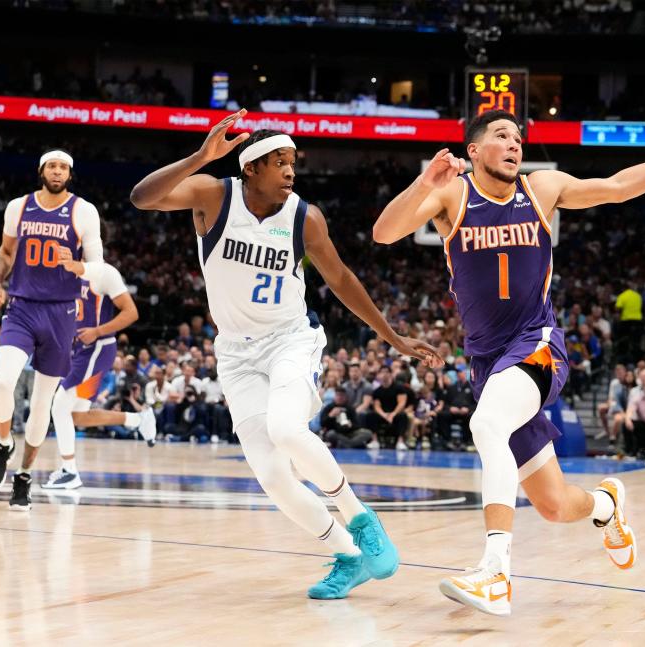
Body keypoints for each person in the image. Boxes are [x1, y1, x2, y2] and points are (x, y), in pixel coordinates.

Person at [374, 106, 645, 615]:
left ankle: (496, 572)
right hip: (487, 363)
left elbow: (617, 186)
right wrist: (421, 183)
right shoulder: (452, 194)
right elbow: (384, 233)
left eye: (518, 137)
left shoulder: (541, 188)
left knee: (487, 425)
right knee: (555, 505)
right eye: (501, 136)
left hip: (537, 343)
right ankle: (608, 506)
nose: (514, 143)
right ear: (474, 150)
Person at [129, 112, 441, 600]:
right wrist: (201, 157)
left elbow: (339, 279)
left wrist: (394, 337)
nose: (291, 171)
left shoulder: (304, 216)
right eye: (280, 162)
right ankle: (349, 556)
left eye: (293, 162)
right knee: (273, 477)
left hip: (291, 339)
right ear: (250, 167)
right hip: (235, 352)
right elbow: (141, 198)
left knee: (286, 429)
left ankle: (361, 519)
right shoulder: (214, 194)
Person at [0, 149, 104, 511]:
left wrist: (78, 265)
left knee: (41, 404)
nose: (57, 171)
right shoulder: (18, 207)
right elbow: (4, 253)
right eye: (52, 166)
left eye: (64, 166)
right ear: (41, 171)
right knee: (3, 381)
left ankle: (23, 476)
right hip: (21, 306)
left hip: (61, 313)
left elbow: (97, 266)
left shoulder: (84, 211)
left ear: (70, 173)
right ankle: (3, 444)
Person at [44, 250, 156, 490]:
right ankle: (138, 419)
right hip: (80, 352)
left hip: (97, 349)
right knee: (77, 416)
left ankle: (69, 470)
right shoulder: (66, 271)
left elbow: (131, 312)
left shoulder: (105, 273)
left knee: (59, 405)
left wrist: (97, 331)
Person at [366, 365, 410, 450]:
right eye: (382, 372)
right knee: (370, 415)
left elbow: (402, 403)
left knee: (403, 416)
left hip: (395, 413)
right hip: (383, 414)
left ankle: (400, 442)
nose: (384, 374)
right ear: (379, 375)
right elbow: (377, 406)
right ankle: (374, 440)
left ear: (391, 374)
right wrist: (385, 415)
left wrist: (393, 414)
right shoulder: (377, 391)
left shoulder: (399, 388)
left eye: (387, 372)